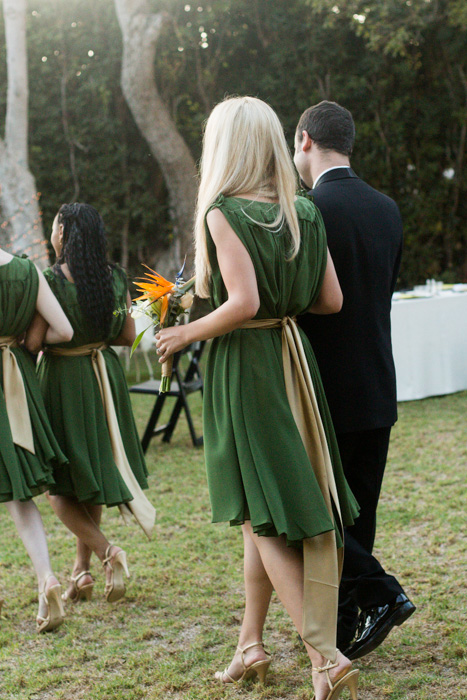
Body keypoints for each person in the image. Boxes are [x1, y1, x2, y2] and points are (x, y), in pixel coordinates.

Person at [155, 96, 360, 700]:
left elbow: (241, 304)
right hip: (293, 362)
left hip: (245, 369)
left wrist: (182, 331)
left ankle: (325, 653)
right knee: (257, 512)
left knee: (259, 515)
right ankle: (251, 644)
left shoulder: (223, 212)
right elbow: (331, 301)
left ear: (223, 147)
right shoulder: (304, 211)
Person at [294, 100, 415, 660]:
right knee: (358, 512)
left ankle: (380, 594)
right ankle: (343, 628)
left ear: (304, 141)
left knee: (318, 514)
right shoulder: (387, 208)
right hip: (378, 381)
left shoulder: (307, 211)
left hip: (325, 389)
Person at [31, 203, 155, 604]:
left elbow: (35, 338)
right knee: (88, 479)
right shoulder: (116, 278)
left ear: (64, 233)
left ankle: (106, 552)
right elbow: (127, 334)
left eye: (54, 227)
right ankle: (80, 574)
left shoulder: (50, 280)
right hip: (106, 379)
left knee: (56, 485)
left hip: (64, 382)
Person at [0, 246, 74, 632]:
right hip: (18, 385)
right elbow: (63, 330)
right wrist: (25, 341)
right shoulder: (27, 270)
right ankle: (46, 577)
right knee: (19, 496)